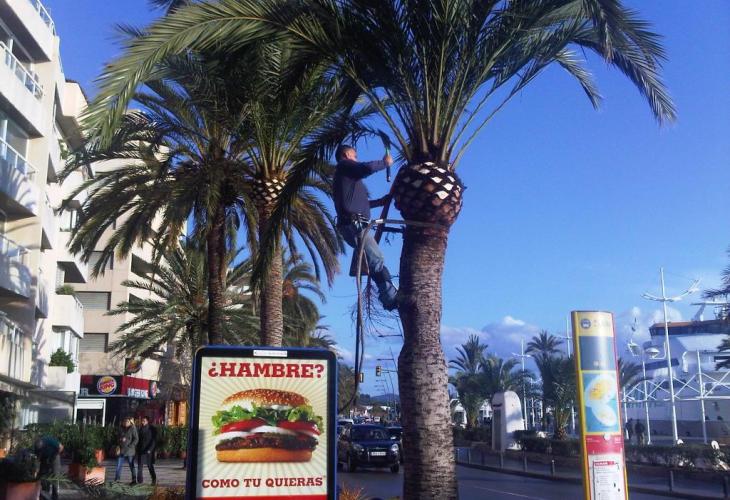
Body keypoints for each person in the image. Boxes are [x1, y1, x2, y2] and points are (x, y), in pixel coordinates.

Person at [333, 144, 397, 310]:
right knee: (376, 259)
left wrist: (379, 202)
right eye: (355, 156)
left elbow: (356, 203)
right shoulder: (344, 166)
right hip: (354, 225)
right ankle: (390, 297)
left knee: (373, 261)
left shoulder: (345, 177)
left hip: (351, 224)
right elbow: (366, 168)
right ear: (347, 155)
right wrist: (385, 163)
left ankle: (389, 297)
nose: (356, 159)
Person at [35, 435, 62, 500]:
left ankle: (55, 496)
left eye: (41, 449)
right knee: (43, 474)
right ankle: (45, 494)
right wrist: (36, 470)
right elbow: (38, 458)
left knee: (55, 476)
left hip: (55, 456)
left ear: (43, 445)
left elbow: (61, 447)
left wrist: (55, 454)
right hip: (44, 457)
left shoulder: (50, 441)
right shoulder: (36, 446)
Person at [115, 417, 138, 484]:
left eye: (127, 422)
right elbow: (117, 438)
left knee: (131, 465)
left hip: (129, 451)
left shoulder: (132, 428)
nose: (125, 423)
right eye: (124, 421)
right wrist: (120, 439)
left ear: (130, 423)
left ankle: (134, 480)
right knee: (118, 466)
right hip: (121, 450)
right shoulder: (120, 429)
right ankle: (117, 479)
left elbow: (136, 439)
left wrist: (130, 446)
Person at [136, 416, 157, 484]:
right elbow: (137, 439)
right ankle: (140, 481)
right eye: (142, 421)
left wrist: (150, 449)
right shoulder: (140, 428)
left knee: (150, 466)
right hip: (141, 450)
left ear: (147, 421)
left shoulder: (152, 429)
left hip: (148, 451)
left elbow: (154, 441)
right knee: (139, 466)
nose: (142, 422)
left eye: (144, 421)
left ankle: (154, 479)